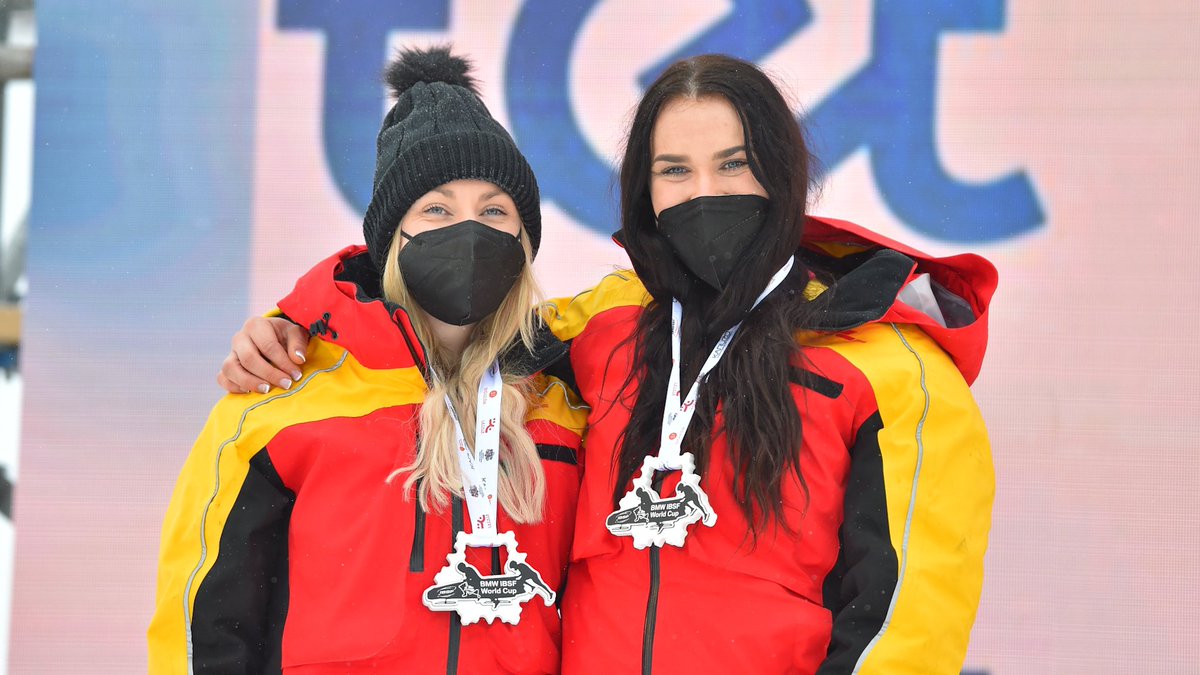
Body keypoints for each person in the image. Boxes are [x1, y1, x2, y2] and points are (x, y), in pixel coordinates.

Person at [220, 54, 996, 674]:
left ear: (784, 172)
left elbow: (908, 622)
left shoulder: (895, 368)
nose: (705, 192)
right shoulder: (605, 324)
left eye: (734, 164)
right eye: (674, 171)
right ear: (642, 193)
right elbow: (440, 327)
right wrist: (299, 321)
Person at [149, 47, 586, 674]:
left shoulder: (568, 401)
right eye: (436, 209)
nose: (469, 230)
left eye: (495, 210)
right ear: (388, 240)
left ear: (524, 239)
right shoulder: (281, 398)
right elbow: (205, 617)